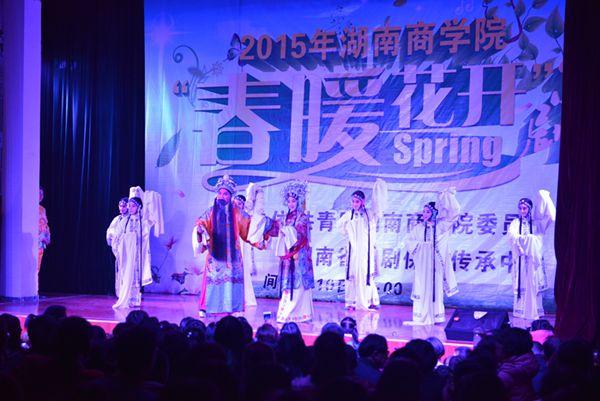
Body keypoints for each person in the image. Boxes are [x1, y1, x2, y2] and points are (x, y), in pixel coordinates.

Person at [193, 175, 276, 317]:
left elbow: (249, 227)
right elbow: (201, 222)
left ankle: (230, 308)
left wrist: (266, 226)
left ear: (230, 196)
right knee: (212, 279)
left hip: (232, 255)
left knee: (231, 281)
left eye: (225, 194)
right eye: (220, 193)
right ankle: (206, 307)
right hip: (215, 255)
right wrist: (200, 230)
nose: (221, 196)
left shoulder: (237, 212)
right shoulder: (211, 211)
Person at [405, 188, 460, 325]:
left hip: (436, 266)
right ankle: (420, 316)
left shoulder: (441, 226)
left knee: (435, 288)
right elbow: (409, 242)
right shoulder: (418, 228)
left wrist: (448, 197)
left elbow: (454, 214)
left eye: (428, 212)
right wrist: (422, 247)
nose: (424, 214)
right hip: (422, 266)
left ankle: (436, 316)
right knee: (422, 287)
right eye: (424, 211)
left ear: (435, 213)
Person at [337, 179, 387, 311]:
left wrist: (378, 189)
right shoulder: (349, 215)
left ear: (363, 202)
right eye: (353, 201)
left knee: (366, 274)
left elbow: (379, 207)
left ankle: (369, 300)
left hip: (366, 251)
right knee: (353, 275)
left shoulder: (369, 214)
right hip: (354, 251)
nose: (354, 204)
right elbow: (340, 227)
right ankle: (352, 302)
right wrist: (349, 231)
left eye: (357, 201)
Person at [507, 190, 555, 321]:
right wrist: (525, 240)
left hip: (533, 261)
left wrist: (545, 198)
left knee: (533, 283)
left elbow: (550, 217)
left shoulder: (536, 223)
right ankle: (521, 311)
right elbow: (512, 236)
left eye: (525, 208)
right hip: (521, 259)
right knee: (522, 283)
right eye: (520, 208)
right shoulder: (515, 223)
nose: (522, 211)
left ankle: (534, 311)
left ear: (530, 209)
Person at [273, 180, 314, 323]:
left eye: (293, 201)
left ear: (298, 201)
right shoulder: (285, 217)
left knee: (298, 284)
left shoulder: (303, 217)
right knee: (288, 284)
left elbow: (301, 234)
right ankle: (287, 313)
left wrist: (287, 230)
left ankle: (300, 314)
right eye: (289, 201)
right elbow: (278, 230)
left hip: (299, 255)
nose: (291, 204)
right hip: (288, 255)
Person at [112, 197, 153, 309]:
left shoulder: (142, 222)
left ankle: (134, 300)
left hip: (136, 255)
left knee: (135, 276)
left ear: (139, 207)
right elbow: (117, 236)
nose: (130, 208)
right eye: (129, 206)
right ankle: (125, 298)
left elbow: (144, 236)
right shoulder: (124, 221)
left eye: (133, 206)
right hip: (126, 253)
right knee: (125, 274)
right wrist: (121, 242)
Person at [232, 193, 257, 307]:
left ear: (243, 205)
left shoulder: (246, 217)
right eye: (236, 203)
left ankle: (244, 297)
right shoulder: (229, 215)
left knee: (242, 268)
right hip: (231, 244)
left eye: (240, 204)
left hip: (242, 243)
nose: (238, 206)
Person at [106, 197, 129, 295]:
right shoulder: (117, 219)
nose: (121, 208)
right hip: (118, 248)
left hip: (128, 248)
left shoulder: (130, 219)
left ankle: (128, 292)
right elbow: (110, 230)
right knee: (120, 269)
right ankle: (120, 292)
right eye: (120, 206)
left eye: (124, 206)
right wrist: (113, 235)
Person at [38, 187, 51, 272]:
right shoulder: (30, 208)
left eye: (42, 194)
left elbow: (45, 224)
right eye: (39, 194)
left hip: (41, 240)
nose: (41, 196)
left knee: (37, 266)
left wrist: (47, 236)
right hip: (35, 237)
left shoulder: (42, 209)